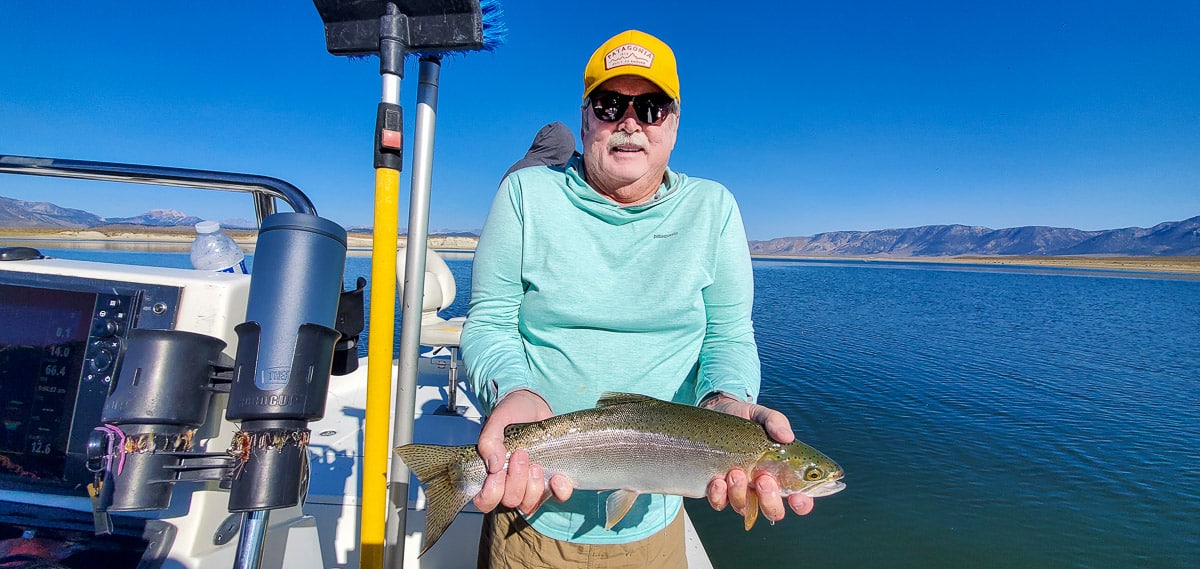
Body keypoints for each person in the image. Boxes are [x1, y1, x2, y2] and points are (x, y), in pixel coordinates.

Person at [460, 29, 815, 568]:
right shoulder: (526, 195)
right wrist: (513, 392)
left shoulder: (713, 209)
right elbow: (489, 321)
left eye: (650, 107)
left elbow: (728, 334)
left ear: (674, 125)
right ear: (585, 119)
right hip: (528, 506)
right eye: (610, 105)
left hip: (655, 522)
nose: (630, 122)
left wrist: (723, 400)